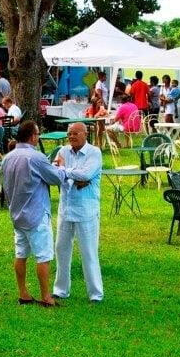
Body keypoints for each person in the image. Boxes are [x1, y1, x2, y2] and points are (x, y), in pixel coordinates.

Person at [1, 121, 65, 306]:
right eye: (37, 134)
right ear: (32, 136)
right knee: (43, 256)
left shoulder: (8, 157)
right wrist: (60, 166)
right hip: (36, 214)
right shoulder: (35, 157)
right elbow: (56, 178)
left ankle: (23, 293)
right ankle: (46, 296)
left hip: (17, 214)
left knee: (20, 254)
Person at [52, 123, 103, 302]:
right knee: (61, 249)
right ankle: (60, 289)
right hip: (66, 209)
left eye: (75, 133)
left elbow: (87, 174)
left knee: (88, 251)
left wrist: (66, 171)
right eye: (69, 134)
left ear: (85, 134)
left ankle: (95, 293)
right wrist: (74, 175)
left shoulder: (94, 152)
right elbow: (54, 171)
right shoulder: (63, 151)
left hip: (85, 210)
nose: (71, 137)